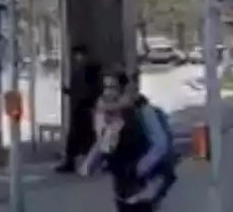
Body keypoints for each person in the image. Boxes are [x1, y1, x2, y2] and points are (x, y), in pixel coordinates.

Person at [81, 72, 178, 212]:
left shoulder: (140, 108)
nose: (107, 92)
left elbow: (160, 144)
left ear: (122, 89)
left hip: (145, 175)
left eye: (112, 87)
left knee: (137, 206)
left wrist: (138, 170)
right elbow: (105, 141)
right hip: (123, 178)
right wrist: (91, 162)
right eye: (105, 87)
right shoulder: (106, 110)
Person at [57, 44, 104, 173]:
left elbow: (91, 91)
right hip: (79, 107)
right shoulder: (81, 71)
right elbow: (80, 90)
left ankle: (84, 162)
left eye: (79, 55)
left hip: (84, 108)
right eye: (76, 56)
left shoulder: (89, 72)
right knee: (78, 138)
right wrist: (68, 91)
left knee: (86, 137)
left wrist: (90, 104)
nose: (78, 58)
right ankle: (73, 162)